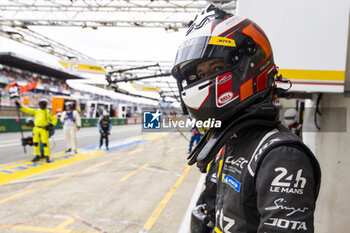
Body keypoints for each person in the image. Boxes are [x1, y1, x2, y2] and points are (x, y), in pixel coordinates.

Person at [171, 5, 321, 233]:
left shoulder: (281, 156)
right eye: (201, 74)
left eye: (217, 67)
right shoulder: (230, 140)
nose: (205, 79)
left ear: (249, 66)